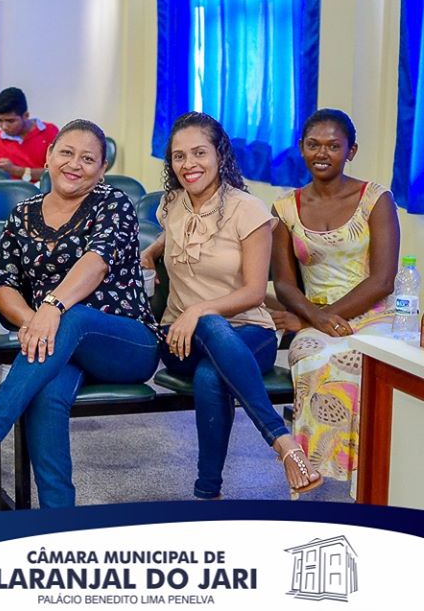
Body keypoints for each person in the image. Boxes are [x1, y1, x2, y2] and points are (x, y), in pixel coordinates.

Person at [0, 119, 159, 508]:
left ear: (102, 169)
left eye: (88, 159)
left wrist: (51, 309)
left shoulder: (113, 204)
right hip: (57, 346)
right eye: (66, 153)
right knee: (45, 394)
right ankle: (58, 518)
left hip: (125, 344)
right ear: (49, 156)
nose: (75, 164)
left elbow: (96, 263)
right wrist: (32, 322)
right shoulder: (23, 214)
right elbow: (3, 284)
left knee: (75, 316)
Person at [139, 111, 323, 500]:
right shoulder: (170, 204)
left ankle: (207, 492)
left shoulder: (248, 209)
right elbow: (178, 235)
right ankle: (282, 439)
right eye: (178, 156)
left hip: (249, 332)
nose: (188, 164)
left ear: (220, 154)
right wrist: (152, 250)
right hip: (180, 339)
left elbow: (254, 293)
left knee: (211, 373)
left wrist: (197, 310)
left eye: (199, 153)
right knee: (207, 328)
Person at [270, 108, 399, 495]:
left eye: (333, 146)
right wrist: (315, 319)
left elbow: (383, 279)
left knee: (359, 363)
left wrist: (318, 318)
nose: (322, 153)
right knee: (312, 358)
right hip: (317, 317)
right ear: (301, 148)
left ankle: (369, 475)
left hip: (375, 315)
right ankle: (311, 470)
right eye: (313, 145)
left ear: (351, 151)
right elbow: (284, 283)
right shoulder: (285, 208)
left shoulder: (376, 199)